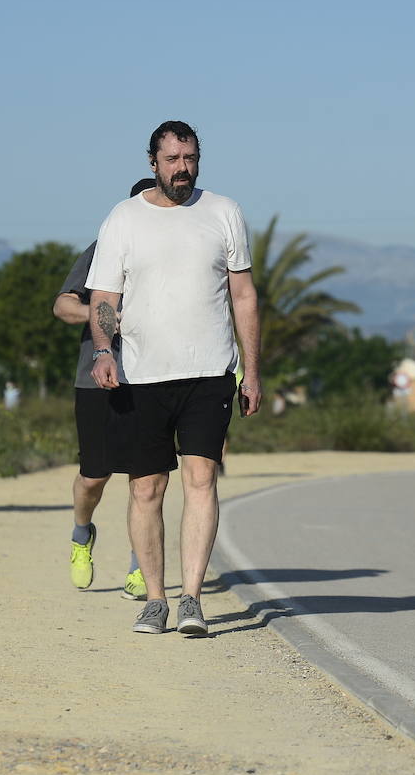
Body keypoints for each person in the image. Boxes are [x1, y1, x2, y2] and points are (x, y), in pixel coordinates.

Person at [86, 120, 262, 636]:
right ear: (153, 163)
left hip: (210, 371)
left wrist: (251, 372)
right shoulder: (123, 218)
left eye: (190, 158)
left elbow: (244, 295)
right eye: (172, 160)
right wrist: (103, 350)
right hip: (141, 375)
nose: (182, 168)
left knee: (202, 480)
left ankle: (191, 599)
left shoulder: (224, 212)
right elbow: (104, 297)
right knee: (146, 489)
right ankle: (155, 600)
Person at [52, 177, 155, 597]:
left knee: (145, 479)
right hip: (95, 379)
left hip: (152, 378)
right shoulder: (102, 249)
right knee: (95, 476)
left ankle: (139, 566)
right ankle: (81, 536)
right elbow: (62, 305)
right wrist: (107, 315)